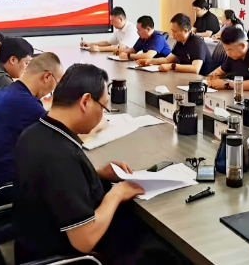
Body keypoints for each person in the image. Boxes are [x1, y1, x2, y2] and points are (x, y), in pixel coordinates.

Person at [13, 64, 187, 265]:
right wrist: (117, 193)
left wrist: (96, 173)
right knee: (169, 253)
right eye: (103, 107)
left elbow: (54, 184)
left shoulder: (35, 133)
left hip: (34, 241)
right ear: (85, 101)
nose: (102, 116)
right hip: (68, 256)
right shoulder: (61, 156)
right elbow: (84, 241)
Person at [0, 53, 64, 188]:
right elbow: (61, 139)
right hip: (6, 183)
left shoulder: (3, 92)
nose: (52, 90)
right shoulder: (28, 105)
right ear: (47, 77)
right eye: (56, 85)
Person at [137, 13, 213, 75]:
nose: (172, 34)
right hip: (186, 77)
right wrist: (149, 61)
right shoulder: (180, 42)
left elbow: (195, 69)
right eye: (171, 30)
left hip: (202, 79)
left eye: (174, 31)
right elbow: (167, 60)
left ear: (185, 31)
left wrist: (172, 66)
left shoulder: (197, 43)